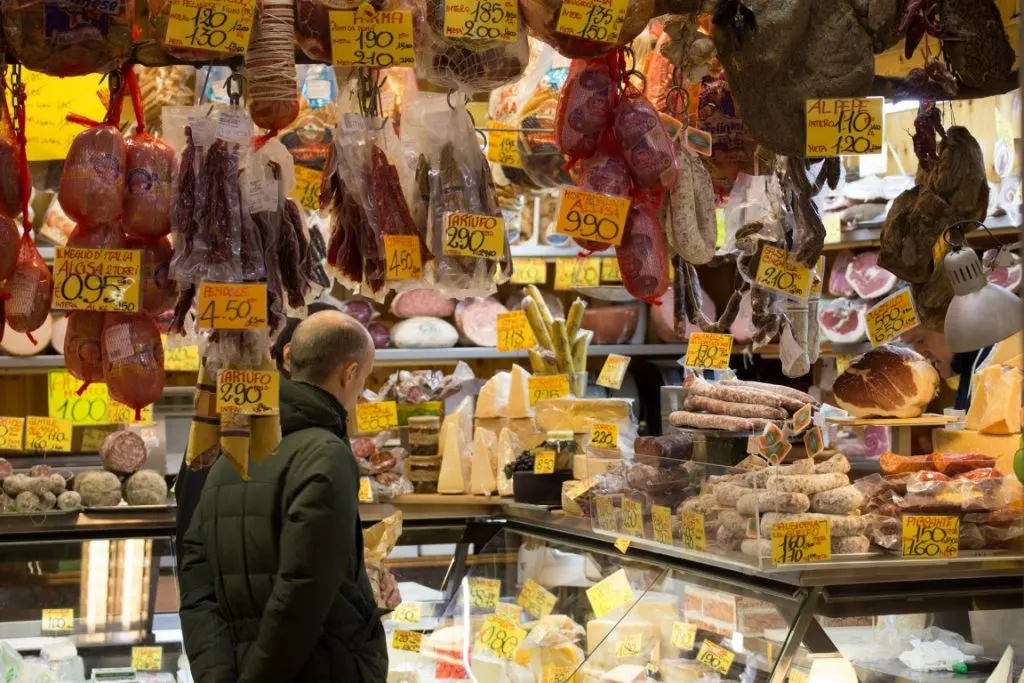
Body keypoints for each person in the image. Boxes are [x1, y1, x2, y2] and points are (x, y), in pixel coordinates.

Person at [178, 311, 388, 683]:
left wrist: (217, 675)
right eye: (366, 376)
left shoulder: (231, 453)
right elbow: (302, 594)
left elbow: (196, 581)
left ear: (291, 358)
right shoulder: (327, 453)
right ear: (349, 373)